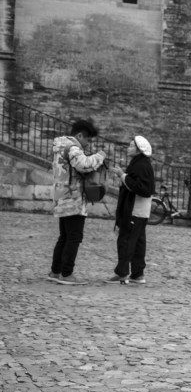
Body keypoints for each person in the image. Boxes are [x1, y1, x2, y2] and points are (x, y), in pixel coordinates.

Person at [48, 119, 107, 285]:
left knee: (64, 236)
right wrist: (100, 156)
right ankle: (66, 274)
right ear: (80, 135)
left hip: (61, 196)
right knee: (74, 237)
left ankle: (55, 271)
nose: (88, 144)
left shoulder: (60, 147)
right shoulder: (73, 148)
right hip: (73, 198)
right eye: (88, 139)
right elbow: (84, 165)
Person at [106, 136, 155, 284]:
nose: (128, 148)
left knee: (126, 240)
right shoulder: (142, 164)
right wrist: (123, 176)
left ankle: (122, 273)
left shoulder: (140, 165)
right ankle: (137, 274)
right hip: (141, 211)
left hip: (135, 210)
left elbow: (142, 188)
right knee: (138, 242)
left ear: (139, 150)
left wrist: (122, 176)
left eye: (131, 146)